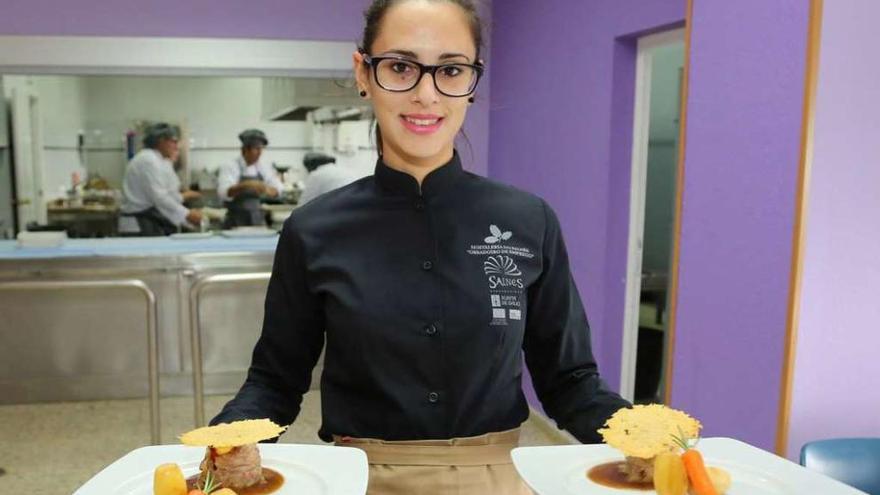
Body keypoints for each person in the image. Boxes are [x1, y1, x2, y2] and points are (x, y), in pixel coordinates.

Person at [212, 1, 630, 493]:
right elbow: (275, 382)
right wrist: (221, 443)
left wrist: (647, 438)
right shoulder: (314, 230)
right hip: (362, 480)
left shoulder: (527, 220)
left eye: (451, 70)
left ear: (472, 81)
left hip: (495, 479)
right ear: (363, 73)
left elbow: (570, 380)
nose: (426, 94)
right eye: (401, 67)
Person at [118, 123, 202, 236]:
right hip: (138, 225)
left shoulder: (160, 160)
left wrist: (185, 216)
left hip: (149, 221)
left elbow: (168, 195)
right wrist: (186, 214)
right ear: (162, 141)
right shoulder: (148, 160)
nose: (176, 147)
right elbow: (159, 197)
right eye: (174, 142)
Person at [217, 129, 283, 228]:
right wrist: (247, 184)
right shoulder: (230, 166)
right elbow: (224, 193)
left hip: (258, 219)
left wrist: (267, 190)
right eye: (256, 149)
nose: (260, 153)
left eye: (261, 149)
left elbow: (278, 188)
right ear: (245, 150)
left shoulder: (263, 166)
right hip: (235, 221)